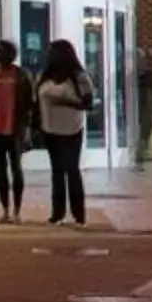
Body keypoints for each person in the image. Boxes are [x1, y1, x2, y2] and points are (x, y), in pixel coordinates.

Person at [35, 39, 96, 227]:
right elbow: (36, 101)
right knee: (57, 171)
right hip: (50, 129)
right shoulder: (44, 76)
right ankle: (57, 213)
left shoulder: (79, 77)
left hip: (71, 130)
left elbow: (88, 104)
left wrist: (64, 102)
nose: (49, 55)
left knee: (72, 169)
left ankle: (79, 215)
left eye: (52, 52)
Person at [0, 42, 34, 222]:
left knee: (16, 168)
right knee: (0, 170)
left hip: (15, 129)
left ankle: (17, 210)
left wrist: (27, 128)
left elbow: (29, 104)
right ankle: (5, 210)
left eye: (1, 51)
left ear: (10, 54)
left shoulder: (21, 75)